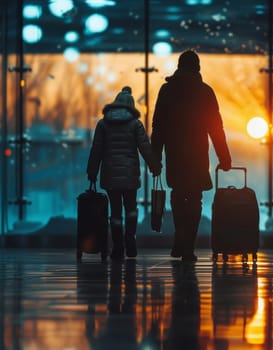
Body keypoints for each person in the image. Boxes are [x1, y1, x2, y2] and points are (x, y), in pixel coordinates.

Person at [151, 50, 232, 262]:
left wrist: (155, 156)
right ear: (197, 67)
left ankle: (180, 237)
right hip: (197, 152)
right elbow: (216, 127)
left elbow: (158, 126)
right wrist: (224, 157)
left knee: (178, 194)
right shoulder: (205, 92)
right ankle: (188, 247)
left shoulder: (167, 90)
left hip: (175, 152)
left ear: (179, 66)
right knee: (195, 197)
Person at [87, 86, 162, 261]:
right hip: (130, 176)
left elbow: (96, 150)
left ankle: (118, 247)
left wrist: (92, 171)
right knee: (131, 209)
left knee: (115, 212)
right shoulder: (135, 124)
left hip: (110, 175)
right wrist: (154, 166)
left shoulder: (103, 124)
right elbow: (145, 148)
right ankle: (130, 239)